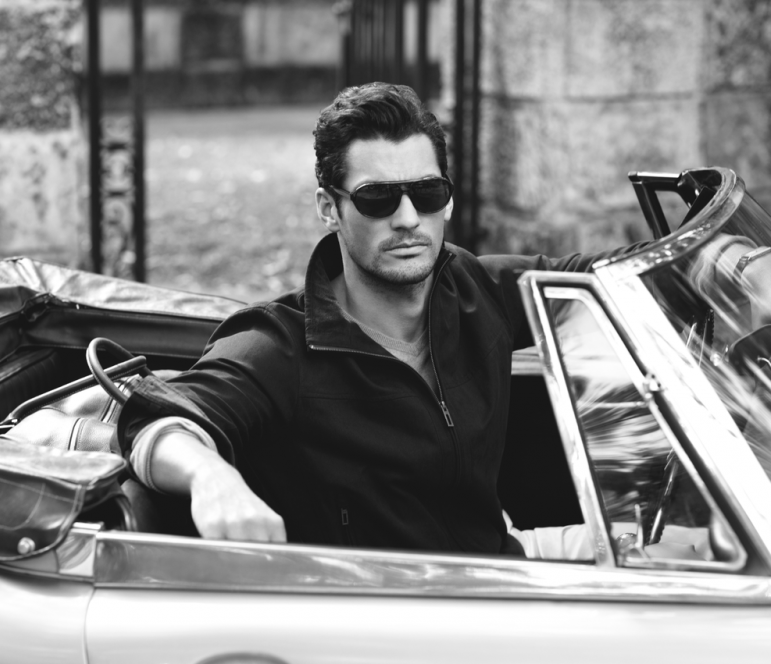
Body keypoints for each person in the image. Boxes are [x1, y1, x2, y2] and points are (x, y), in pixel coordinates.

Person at [115, 82, 641, 556]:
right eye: (378, 198)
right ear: (329, 208)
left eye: (427, 193)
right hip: (384, 610)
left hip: (500, 567)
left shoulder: (476, 289)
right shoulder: (279, 345)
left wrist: (694, 248)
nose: (408, 218)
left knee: (674, 550)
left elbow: (616, 277)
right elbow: (155, 420)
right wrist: (211, 477)